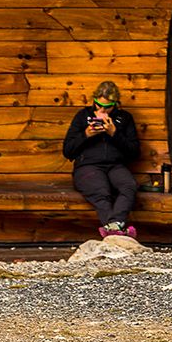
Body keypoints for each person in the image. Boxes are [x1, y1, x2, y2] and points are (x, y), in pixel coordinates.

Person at [59, 81, 144, 237]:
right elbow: (68, 151)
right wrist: (86, 134)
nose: (102, 110)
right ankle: (118, 231)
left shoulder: (124, 118)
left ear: (116, 104)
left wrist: (114, 133)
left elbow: (134, 152)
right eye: (98, 105)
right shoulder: (83, 116)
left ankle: (113, 229)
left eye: (108, 107)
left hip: (115, 166)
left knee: (128, 186)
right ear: (94, 100)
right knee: (101, 192)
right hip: (87, 166)